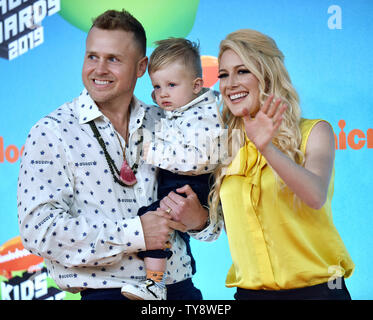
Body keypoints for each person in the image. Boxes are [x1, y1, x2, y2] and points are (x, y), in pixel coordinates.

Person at [17, 9, 222, 301]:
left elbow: (214, 227)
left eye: (113, 59)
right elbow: (39, 230)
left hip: (180, 290)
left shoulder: (168, 121)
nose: (99, 69)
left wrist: (200, 220)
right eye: (92, 56)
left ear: (141, 67)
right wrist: (136, 232)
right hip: (105, 293)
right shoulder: (51, 132)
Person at [208, 29, 355, 300]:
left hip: (319, 293)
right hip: (250, 295)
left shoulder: (314, 132)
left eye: (242, 71)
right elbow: (221, 227)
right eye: (224, 75)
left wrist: (268, 148)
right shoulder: (223, 146)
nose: (230, 84)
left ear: (267, 74)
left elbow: (314, 196)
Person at [120, 38, 225, 300]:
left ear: (196, 85)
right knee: (155, 221)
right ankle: (155, 283)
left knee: (153, 220)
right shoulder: (169, 111)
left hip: (193, 187)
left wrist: (153, 152)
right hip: (173, 185)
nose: (162, 93)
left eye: (171, 85)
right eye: (156, 86)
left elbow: (199, 160)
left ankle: (154, 285)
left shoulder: (206, 113)